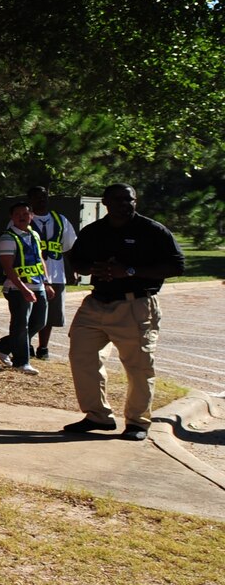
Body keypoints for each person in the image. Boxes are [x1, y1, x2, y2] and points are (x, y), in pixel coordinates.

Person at [63, 184, 185, 439]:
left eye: (129, 199)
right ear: (105, 202)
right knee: (81, 355)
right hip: (96, 303)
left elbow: (176, 265)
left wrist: (129, 271)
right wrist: (91, 268)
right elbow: (77, 260)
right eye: (118, 199)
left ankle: (137, 423)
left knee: (139, 367)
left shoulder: (152, 231)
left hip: (135, 305)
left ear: (135, 202)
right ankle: (98, 416)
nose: (124, 204)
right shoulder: (94, 231)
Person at [0, 199, 48, 375]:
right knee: (20, 325)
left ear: (31, 216)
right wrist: (24, 289)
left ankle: (3, 346)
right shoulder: (7, 238)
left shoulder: (34, 234)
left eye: (26, 214)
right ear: (12, 217)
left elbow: (40, 259)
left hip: (38, 285)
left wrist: (46, 283)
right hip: (17, 289)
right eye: (18, 214)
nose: (22, 217)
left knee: (40, 322)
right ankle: (21, 362)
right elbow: (8, 267)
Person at [26, 185, 78, 360]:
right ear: (30, 199)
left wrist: (73, 270)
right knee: (30, 313)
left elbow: (69, 248)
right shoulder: (23, 219)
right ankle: (26, 344)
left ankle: (43, 348)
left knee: (50, 315)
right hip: (31, 275)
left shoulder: (60, 219)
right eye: (37, 196)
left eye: (44, 196)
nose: (41, 199)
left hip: (56, 274)